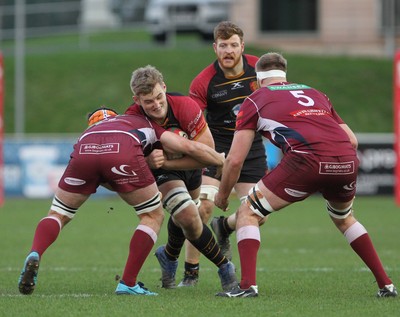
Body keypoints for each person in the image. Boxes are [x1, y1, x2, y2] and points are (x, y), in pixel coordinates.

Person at [214, 52, 398, 298]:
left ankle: (247, 286)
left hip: (306, 160)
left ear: (257, 80)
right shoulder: (316, 94)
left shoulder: (255, 99)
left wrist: (223, 195)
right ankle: (386, 285)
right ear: (285, 75)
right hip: (346, 160)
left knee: (248, 211)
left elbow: (235, 159)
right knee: (345, 219)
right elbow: (352, 140)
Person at [18, 107, 225, 296]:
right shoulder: (136, 122)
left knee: (58, 213)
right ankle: (128, 282)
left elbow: (104, 175)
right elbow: (185, 146)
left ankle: (35, 252)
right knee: (152, 215)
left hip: (84, 152)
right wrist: (220, 160)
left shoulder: (88, 132)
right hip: (122, 150)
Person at [125, 65, 238, 291]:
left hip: (191, 166)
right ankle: (225, 268)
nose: (156, 105)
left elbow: (207, 152)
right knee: (187, 215)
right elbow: (132, 158)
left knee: (186, 215)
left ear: (164, 88)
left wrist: (167, 160)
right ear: (137, 100)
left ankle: (168, 255)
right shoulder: (132, 118)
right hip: (163, 174)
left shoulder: (185, 106)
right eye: (148, 102)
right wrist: (148, 162)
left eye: (159, 97)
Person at [182, 20, 267, 287]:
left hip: (251, 148)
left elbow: (279, 96)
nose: (228, 51)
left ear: (242, 46)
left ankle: (225, 227)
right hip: (215, 149)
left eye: (233, 45)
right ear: (214, 48)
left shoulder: (260, 69)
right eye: (222, 46)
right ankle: (191, 272)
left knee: (257, 214)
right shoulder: (203, 81)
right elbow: (191, 118)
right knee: (204, 206)